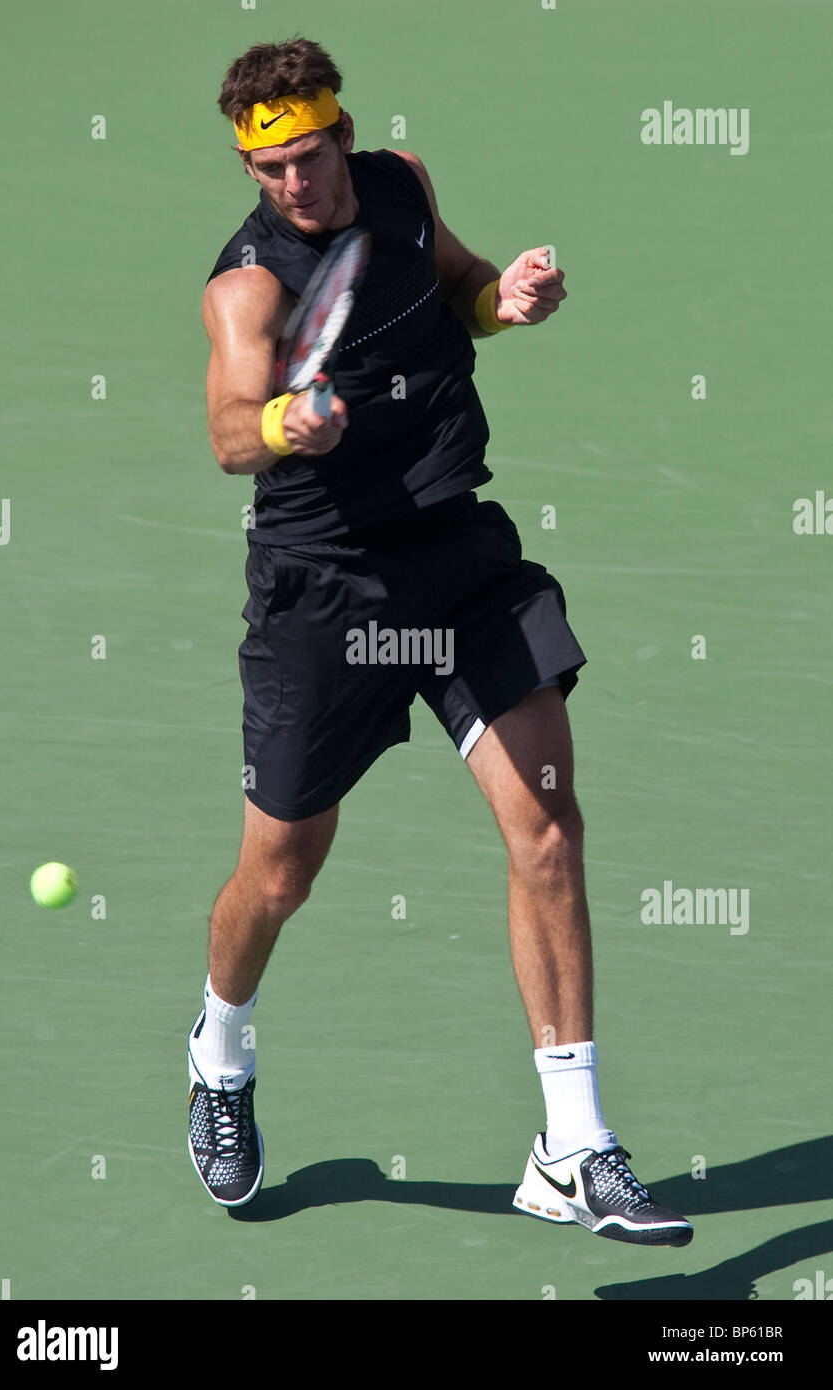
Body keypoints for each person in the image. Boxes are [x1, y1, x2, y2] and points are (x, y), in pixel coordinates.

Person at [187, 36, 693, 1247]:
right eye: (268, 170)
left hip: (459, 554)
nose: (294, 186)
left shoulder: (402, 184)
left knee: (547, 822)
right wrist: (279, 423)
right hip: (327, 588)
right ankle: (220, 1044)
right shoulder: (247, 287)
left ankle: (570, 1145)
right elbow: (224, 429)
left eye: (308, 157)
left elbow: (458, 287)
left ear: (342, 133)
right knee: (280, 872)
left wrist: (502, 300)